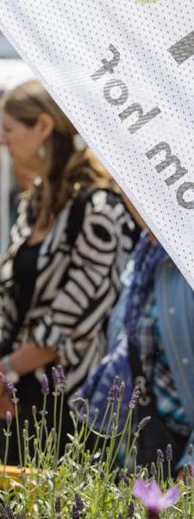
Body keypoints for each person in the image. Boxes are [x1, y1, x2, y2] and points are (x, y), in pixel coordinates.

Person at [0, 81, 135, 466]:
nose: (1, 140)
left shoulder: (99, 209)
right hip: (16, 395)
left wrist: (4, 369)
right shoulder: (32, 205)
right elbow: (7, 298)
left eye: (9, 129)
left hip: (72, 407)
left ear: (44, 127)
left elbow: (76, 318)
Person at [83, 195, 194, 476]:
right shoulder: (143, 255)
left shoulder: (184, 257)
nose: (129, 196)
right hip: (137, 446)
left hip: (180, 456)